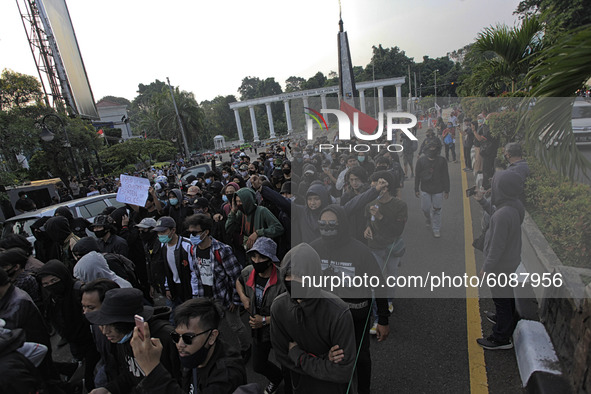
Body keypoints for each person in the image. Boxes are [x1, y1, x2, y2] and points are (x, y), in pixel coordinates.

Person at [310, 205, 390, 394]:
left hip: (356, 318)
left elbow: (378, 284)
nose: (327, 227)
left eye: (332, 223)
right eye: (322, 223)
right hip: (324, 319)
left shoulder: (360, 251)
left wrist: (383, 320)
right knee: (328, 358)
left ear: (342, 224)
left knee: (361, 359)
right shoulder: (313, 249)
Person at [271, 243, 357, 394]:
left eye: (301, 276)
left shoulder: (338, 312)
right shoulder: (278, 308)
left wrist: (299, 356)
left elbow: (343, 371)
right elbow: (282, 356)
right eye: (289, 275)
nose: (294, 280)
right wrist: (325, 361)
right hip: (301, 388)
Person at [130, 298, 247, 394]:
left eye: (188, 338)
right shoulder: (193, 356)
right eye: (176, 336)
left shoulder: (227, 376)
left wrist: (153, 370)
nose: (180, 345)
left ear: (212, 336)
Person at [86, 288, 181, 394]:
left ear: (128, 322)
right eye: (102, 324)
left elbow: (181, 380)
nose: (105, 331)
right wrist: (109, 389)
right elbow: (131, 375)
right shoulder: (122, 339)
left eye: (111, 324)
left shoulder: (166, 337)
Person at [184, 214, 251, 359]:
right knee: (211, 326)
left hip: (224, 296)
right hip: (206, 295)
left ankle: (246, 348)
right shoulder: (193, 249)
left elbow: (236, 276)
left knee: (235, 325)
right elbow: (196, 274)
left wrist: (235, 299)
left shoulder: (221, 250)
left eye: (195, 233)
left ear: (206, 232)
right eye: (190, 233)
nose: (192, 236)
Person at [474, 170, 525, 350]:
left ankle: (500, 337)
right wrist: (481, 200)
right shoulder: (514, 206)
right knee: (505, 295)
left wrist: (486, 268)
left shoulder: (503, 215)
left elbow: (497, 247)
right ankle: (507, 318)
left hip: (500, 266)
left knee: (500, 298)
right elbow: (495, 211)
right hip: (510, 262)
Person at [38, 260, 100, 392]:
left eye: (54, 281)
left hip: (91, 342)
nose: (51, 286)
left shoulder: (79, 292)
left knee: (91, 379)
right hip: (75, 344)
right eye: (46, 284)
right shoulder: (52, 298)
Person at [236, 237, 285, 394]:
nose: (257, 261)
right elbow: (238, 281)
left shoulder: (284, 280)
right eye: (254, 256)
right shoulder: (249, 271)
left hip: (279, 331)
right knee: (258, 365)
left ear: (271, 260)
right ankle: (277, 378)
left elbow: (291, 312)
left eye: (262, 257)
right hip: (258, 332)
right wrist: (243, 298)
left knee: (288, 363)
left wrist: (264, 320)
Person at [153, 216, 193, 313]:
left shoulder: (187, 245)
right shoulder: (163, 247)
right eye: (158, 233)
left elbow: (194, 271)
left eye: (163, 232)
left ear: (173, 230)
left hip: (188, 288)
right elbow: (166, 270)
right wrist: (167, 287)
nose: (160, 235)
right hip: (173, 288)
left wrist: (195, 293)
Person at [414, 140, 450, 238]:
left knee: (437, 209)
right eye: (430, 148)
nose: (432, 150)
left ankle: (436, 228)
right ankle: (428, 217)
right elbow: (417, 176)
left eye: (434, 148)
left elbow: (445, 176)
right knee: (425, 208)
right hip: (425, 188)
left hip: (438, 189)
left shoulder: (442, 160)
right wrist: (416, 189)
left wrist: (447, 190)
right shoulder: (421, 161)